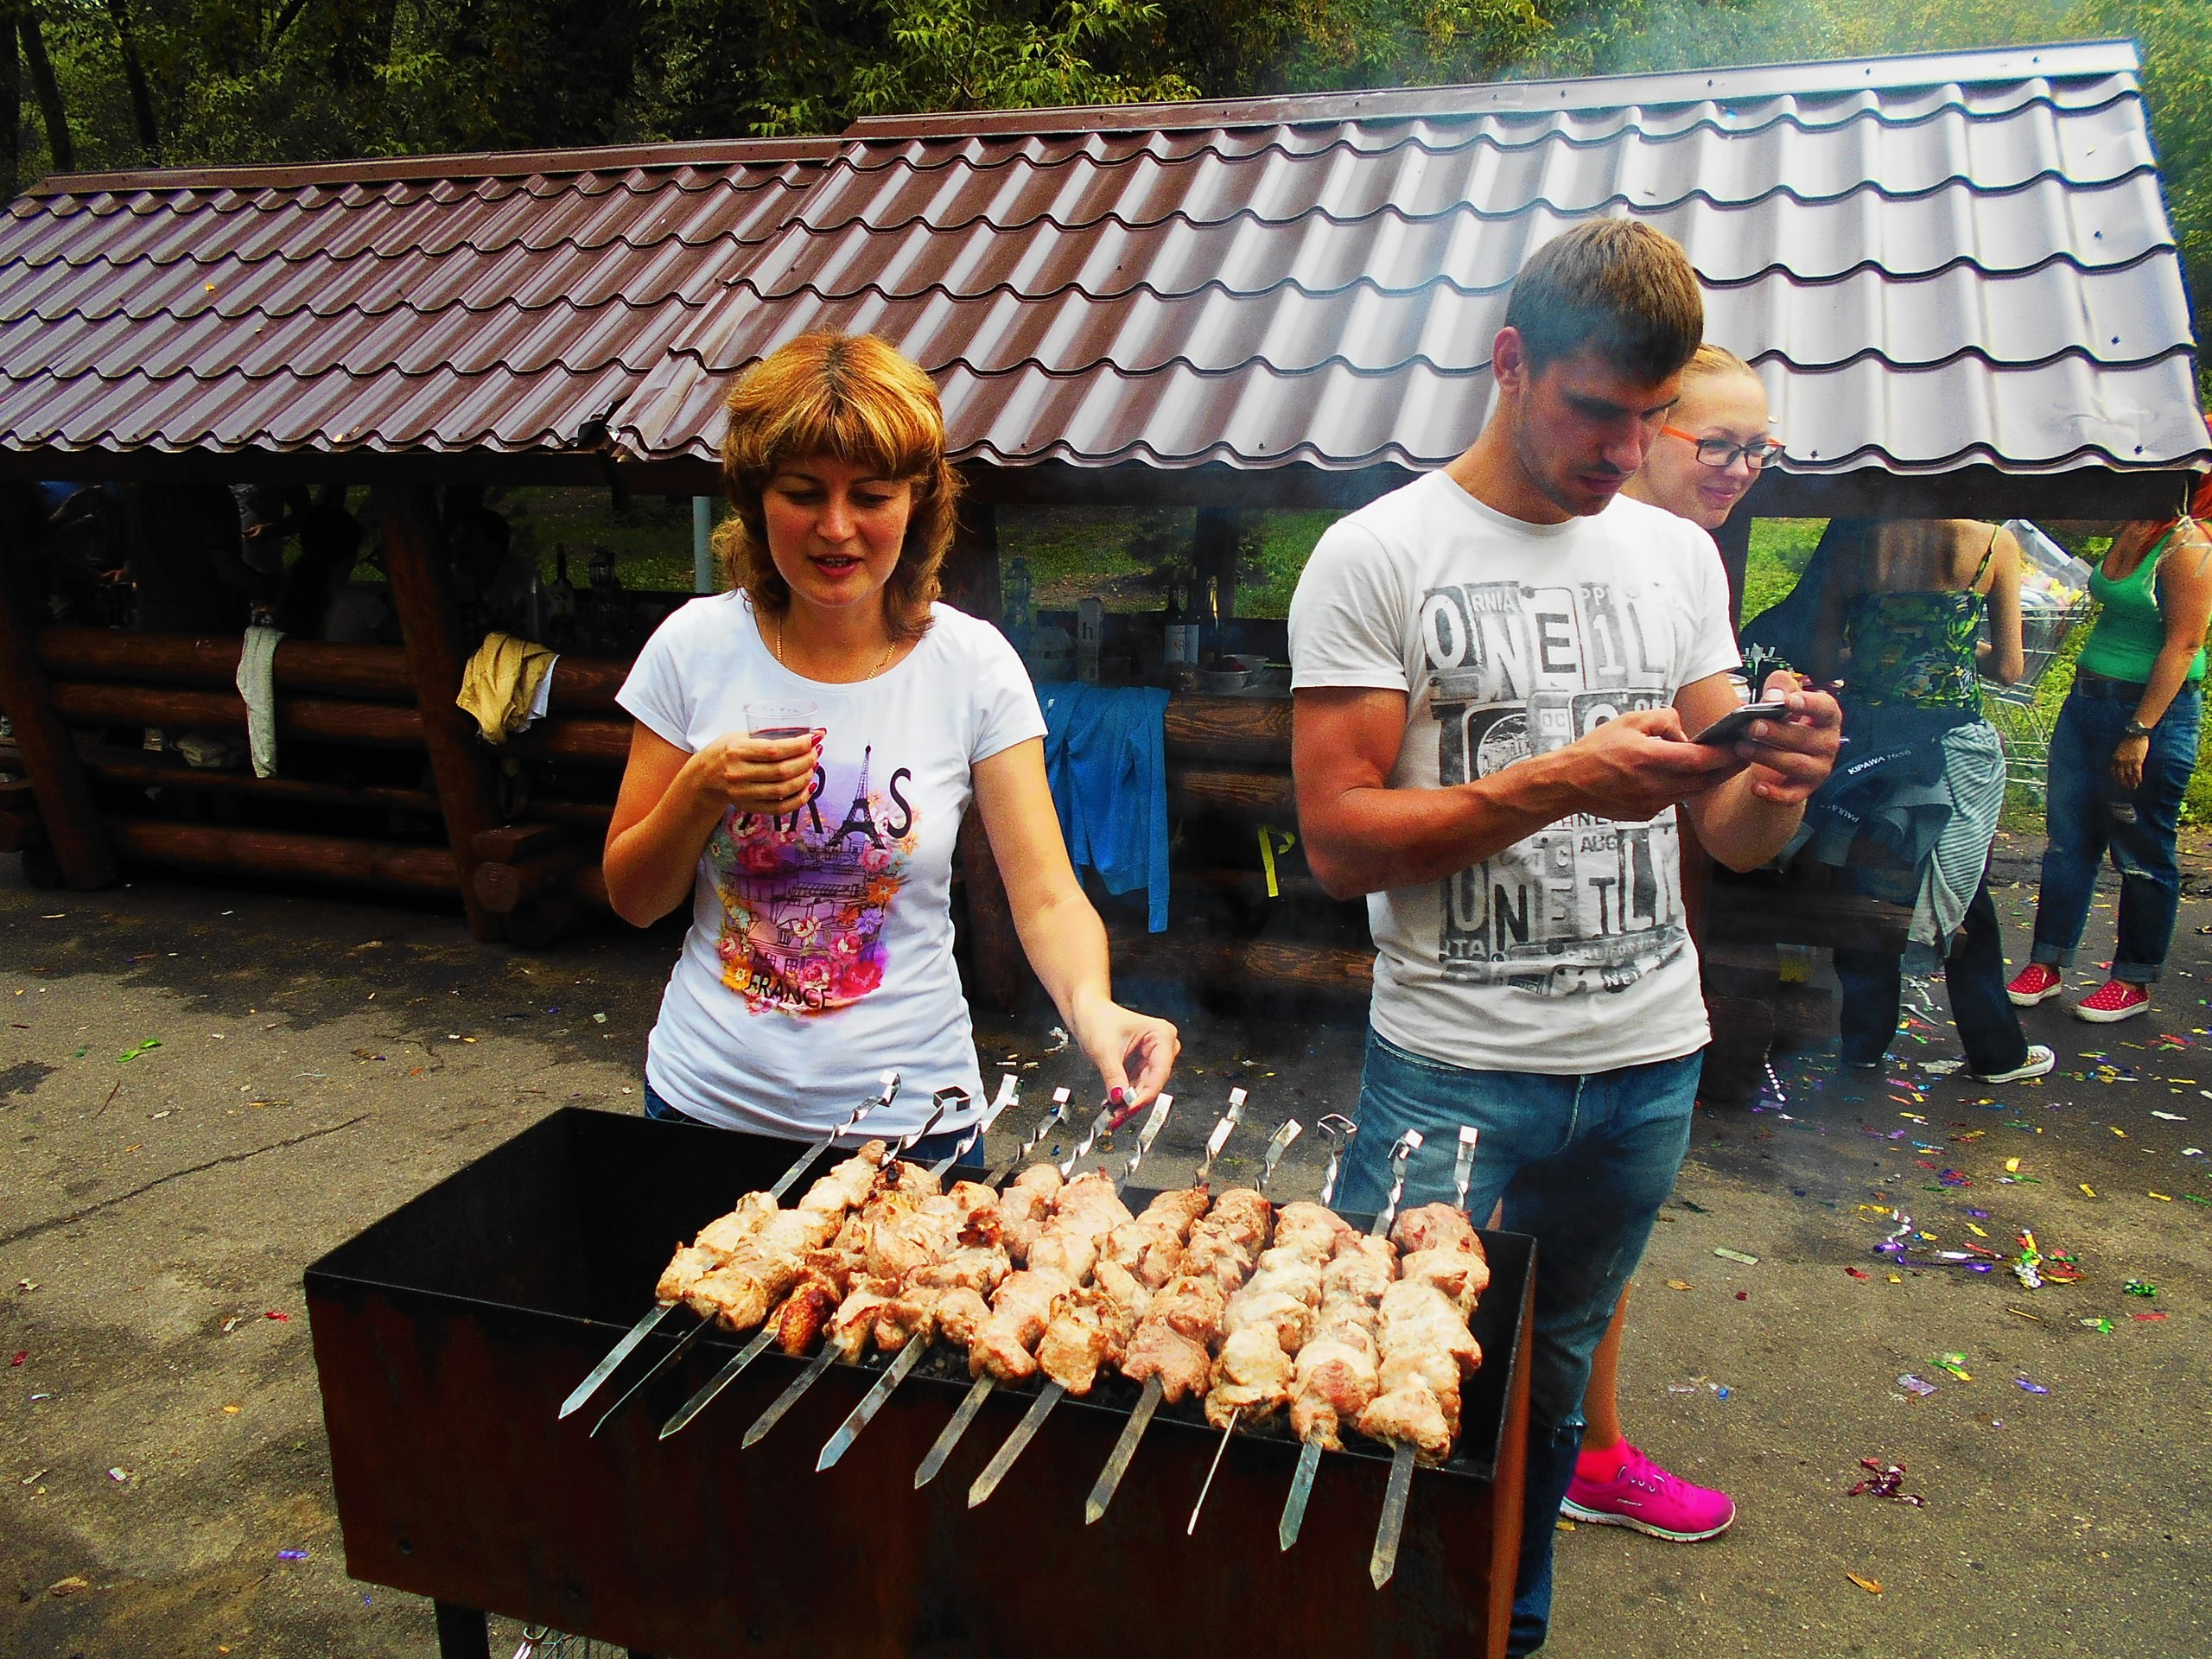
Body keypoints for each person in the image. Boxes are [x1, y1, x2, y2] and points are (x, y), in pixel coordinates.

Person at [1287, 221, 1840, 1656]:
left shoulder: (1675, 557)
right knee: (1380, 1386)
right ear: (1513, 361)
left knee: (1548, 1391)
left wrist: (1771, 784)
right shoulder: (1377, 556)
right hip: (1453, 1078)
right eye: (1599, 410)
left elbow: (1726, 837)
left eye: (1653, 417)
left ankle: (1505, 1636)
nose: (1627, 448)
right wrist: (1561, 781)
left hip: (1648, 1063)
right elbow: (1341, 838)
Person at [605, 331, 1178, 1154]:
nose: (835, 529)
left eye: (871, 496)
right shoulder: (691, 647)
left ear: (917, 504)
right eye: (803, 492)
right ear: (756, 496)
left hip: (914, 1126)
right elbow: (634, 899)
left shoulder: (971, 663)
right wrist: (701, 788)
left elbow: (1046, 896)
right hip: (704, 1109)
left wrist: (1095, 1008)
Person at [1537, 340, 1780, 1547]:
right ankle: (1556, 1456)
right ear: (1643, 427)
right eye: (1721, 442)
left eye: (1760, 449)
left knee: (1596, 1243)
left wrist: (1778, 760)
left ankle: (1592, 1450)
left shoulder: (1690, 564)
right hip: (1504, 976)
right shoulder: (1527, 541)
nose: (1742, 467)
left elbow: (1729, 809)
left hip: (1635, 964)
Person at [1788, 518, 2053, 1082]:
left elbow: (1821, 653)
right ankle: (1996, 1050)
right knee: (1961, 889)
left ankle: (1862, 1042)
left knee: (1863, 878)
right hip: (1949, 746)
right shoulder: (1992, 544)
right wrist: (1951, 645)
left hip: (1866, 742)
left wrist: (1882, 646)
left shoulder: (1859, 542)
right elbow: (2009, 667)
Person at [2007, 471, 2212, 1022]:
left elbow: (2185, 642)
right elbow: (2069, 512)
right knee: (2069, 841)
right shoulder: (2134, 525)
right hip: (2087, 702)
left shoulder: (2189, 549)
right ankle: (2047, 963)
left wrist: (2139, 732)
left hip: (2149, 712)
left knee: (2142, 852)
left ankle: (2133, 979)